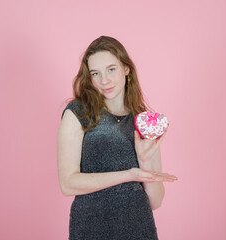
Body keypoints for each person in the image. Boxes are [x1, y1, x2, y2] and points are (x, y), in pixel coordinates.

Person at [57, 35, 178, 240]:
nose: (104, 81)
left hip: (139, 229)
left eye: (111, 69)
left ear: (126, 69)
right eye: (96, 73)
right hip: (90, 229)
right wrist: (130, 174)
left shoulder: (144, 122)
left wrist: (145, 161)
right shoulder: (78, 113)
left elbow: (156, 201)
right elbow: (67, 184)